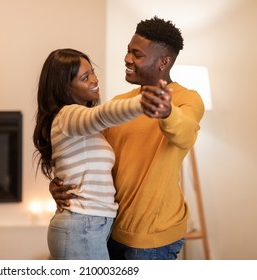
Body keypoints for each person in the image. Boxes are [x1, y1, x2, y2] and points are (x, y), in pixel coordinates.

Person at [49, 16, 205, 260]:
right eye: (128, 51)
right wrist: (60, 182)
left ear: (163, 62)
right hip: (108, 230)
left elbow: (184, 134)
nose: (127, 59)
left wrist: (166, 111)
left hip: (152, 238)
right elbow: (89, 154)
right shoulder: (120, 104)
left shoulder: (186, 99)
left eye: (137, 54)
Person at [32, 48, 168, 260]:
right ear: (65, 88)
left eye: (92, 72)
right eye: (85, 78)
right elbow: (102, 115)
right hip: (82, 225)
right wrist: (141, 103)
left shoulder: (83, 128)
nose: (94, 80)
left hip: (88, 225)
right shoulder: (68, 115)